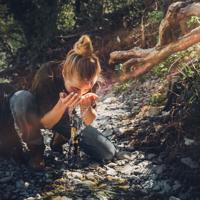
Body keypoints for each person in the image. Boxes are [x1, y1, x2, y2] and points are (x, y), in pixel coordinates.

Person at [9, 35, 116, 170]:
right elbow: (44, 123)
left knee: (107, 152)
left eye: (87, 88)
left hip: (66, 118)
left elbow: (87, 121)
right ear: (64, 73)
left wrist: (86, 108)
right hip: (38, 115)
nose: (80, 93)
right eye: (76, 88)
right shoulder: (48, 74)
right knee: (21, 99)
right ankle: (36, 151)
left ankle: (60, 137)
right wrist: (62, 104)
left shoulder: (89, 79)